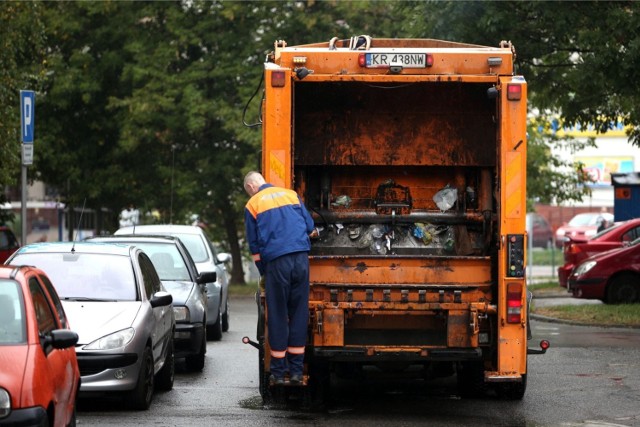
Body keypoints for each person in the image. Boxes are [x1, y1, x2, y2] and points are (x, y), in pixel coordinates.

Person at [243, 171, 317, 385]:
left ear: (250, 186)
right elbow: (311, 227)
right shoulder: (291, 195)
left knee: (278, 314)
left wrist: (263, 271)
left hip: (277, 263)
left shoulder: (253, 204)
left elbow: (255, 246)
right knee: (298, 312)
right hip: (301, 259)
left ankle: (277, 372)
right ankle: (295, 372)